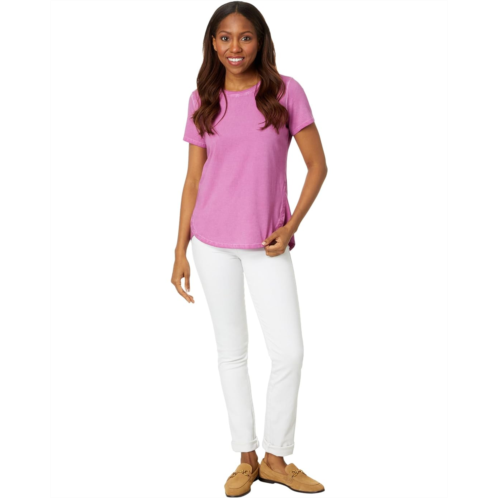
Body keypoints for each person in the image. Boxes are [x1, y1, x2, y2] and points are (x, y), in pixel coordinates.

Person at [171, 2, 328, 495]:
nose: (234, 47)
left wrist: (290, 224)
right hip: (210, 242)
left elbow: (318, 166)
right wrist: (179, 250)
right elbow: (193, 179)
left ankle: (276, 458)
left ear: (260, 41)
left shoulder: (285, 92)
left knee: (289, 352)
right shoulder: (203, 98)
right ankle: (246, 457)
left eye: (245, 37)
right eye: (224, 37)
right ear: (212, 43)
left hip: (267, 243)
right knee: (231, 352)